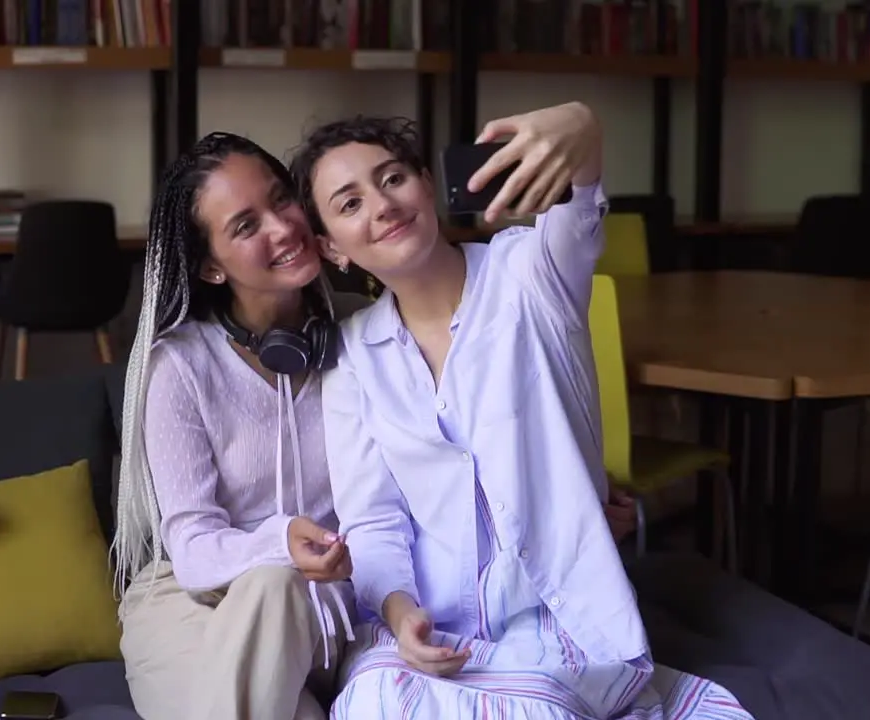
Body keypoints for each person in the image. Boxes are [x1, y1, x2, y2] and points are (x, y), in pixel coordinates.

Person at [290, 102, 754, 718]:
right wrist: (402, 619)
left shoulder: (530, 271)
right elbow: (373, 519)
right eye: (349, 204)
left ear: (427, 185)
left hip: (556, 621)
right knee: (374, 703)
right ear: (331, 248)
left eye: (393, 178)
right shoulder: (352, 356)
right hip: (429, 631)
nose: (382, 206)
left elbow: (578, 202)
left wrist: (582, 126)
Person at [111, 132, 367, 720]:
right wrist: (281, 543)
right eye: (246, 226)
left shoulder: (367, 332)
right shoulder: (178, 366)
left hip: (339, 603)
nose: (282, 228)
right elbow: (196, 550)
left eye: (282, 200)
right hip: (195, 603)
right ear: (210, 266)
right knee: (272, 584)